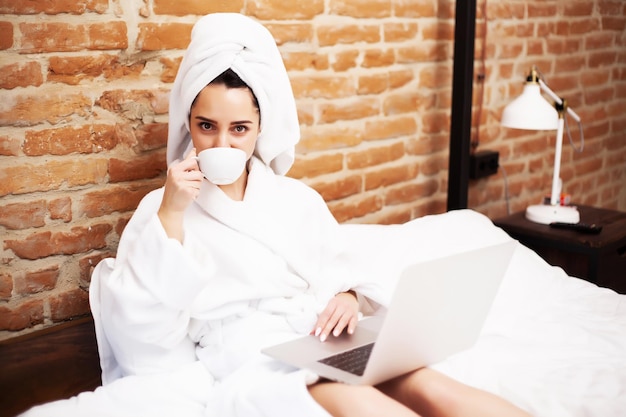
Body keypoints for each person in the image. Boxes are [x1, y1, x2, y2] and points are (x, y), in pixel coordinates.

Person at [21, 13, 532, 417]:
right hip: (251, 355)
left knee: (431, 386)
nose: (222, 143)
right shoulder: (160, 210)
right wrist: (173, 214)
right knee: (360, 402)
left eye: (239, 128)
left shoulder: (294, 199)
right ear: (189, 125)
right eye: (206, 126)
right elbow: (143, 342)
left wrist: (348, 297)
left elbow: (342, 267)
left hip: (318, 333)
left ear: (260, 127)